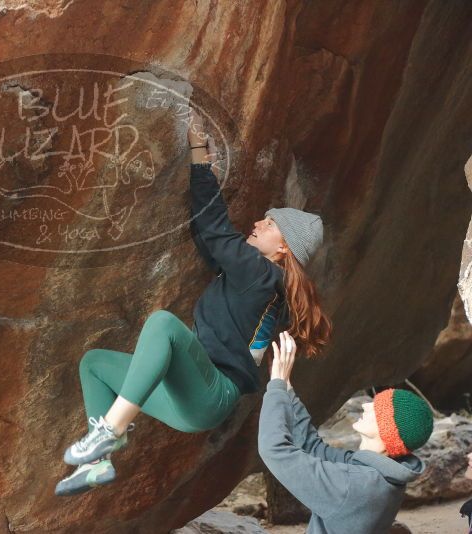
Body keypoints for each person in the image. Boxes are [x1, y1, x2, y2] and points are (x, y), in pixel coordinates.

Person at [55, 108, 331, 496]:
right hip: (187, 399)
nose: (257, 224)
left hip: (212, 393)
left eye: (268, 225)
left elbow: (216, 231)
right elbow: (209, 240)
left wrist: (198, 154)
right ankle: (98, 464)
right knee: (95, 364)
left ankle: (109, 433)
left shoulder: (263, 274)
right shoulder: (263, 283)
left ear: (283, 247)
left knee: (164, 324)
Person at [258, 331, 433, 533]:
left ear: (387, 432)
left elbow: (274, 450)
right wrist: (287, 389)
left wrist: (276, 388)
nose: (366, 406)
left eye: (377, 408)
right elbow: (312, 447)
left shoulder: (356, 486)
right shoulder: (379, 471)